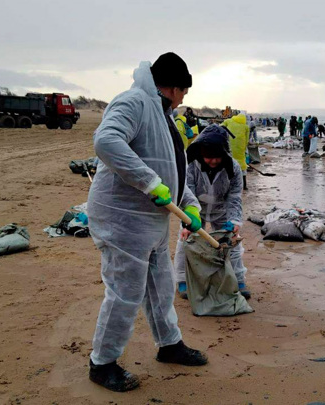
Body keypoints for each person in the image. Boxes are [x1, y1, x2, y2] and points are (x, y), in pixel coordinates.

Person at [86, 52, 207, 393]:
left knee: (160, 286)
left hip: (152, 223)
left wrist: (191, 205)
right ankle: (102, 362)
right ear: (172, 86)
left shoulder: (164, 115)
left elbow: (171, 168)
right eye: (184, 91)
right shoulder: (134, 102)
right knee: (125, 292)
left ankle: (169, 344)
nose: (185, 98)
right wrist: (149, 182)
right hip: (122, 220)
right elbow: (106, 141)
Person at [173, 124, 250, 300]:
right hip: (194, 209)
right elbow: (187, 192)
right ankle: (182, 280)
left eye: (217, 157)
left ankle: (238, 280)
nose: (213, 161)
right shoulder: (191, 165)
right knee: (184, 242)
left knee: (233, 244)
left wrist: (235, 220)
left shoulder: (234, 168)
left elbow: (235, 196)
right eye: (209, 158)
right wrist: (187, 222)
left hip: (221, 209)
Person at [221, 113, 249, 190]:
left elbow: (220, 127)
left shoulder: (228, 121)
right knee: (242, 167)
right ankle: (244, 185)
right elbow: (247, 140)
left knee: (229, 165)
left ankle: (229, 185)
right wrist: (244, 148)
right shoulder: (246, 126)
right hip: (240, 150)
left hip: (229, 147)